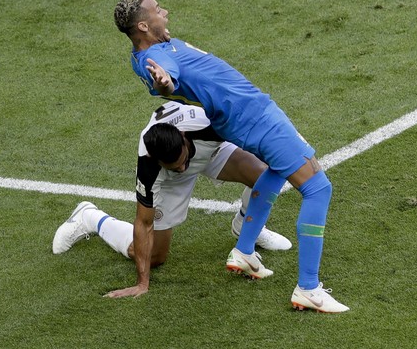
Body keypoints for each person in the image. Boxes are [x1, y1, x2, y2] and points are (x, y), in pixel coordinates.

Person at [113, 0, 349, 313]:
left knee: (278, 171)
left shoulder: (157, 46)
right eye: (157, 10)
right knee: (318, 188)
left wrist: (165, 71)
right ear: (142, 26)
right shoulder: (156, 59)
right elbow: (165, 81)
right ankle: (308, 287)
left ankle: (244, 250)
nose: (165, 12)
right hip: (253, 117)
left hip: (243, 116)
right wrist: (165, 82)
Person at [53, 101, 292, 297]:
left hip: (210, 150)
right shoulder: (149, 168)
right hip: (170, 181)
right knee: (155, 256)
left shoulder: (208, 123)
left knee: (266, 176)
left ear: (184, 136)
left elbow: (255, 125)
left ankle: (247, 227)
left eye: (182, 162)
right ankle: (91, 217)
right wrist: (142, 284)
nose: (182, 168)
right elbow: (143, 223)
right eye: (174, 165)